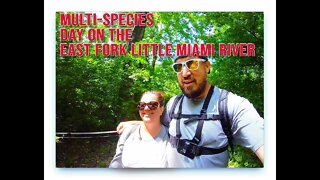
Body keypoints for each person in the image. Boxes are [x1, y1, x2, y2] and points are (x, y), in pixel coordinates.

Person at [117, 56, 264, 168]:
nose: (185, 73)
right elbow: (159, 124)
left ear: (207, 66)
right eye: (178, 67)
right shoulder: (173, 104)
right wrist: (133, 123)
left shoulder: (232, 105)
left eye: (192, 64)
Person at [109, 91, 170, 168]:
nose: (146, 108)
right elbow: (116, 164)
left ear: (161, 109)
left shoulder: (170, 137)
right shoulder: (128, 133)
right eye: (142, 105)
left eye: (152, 105)